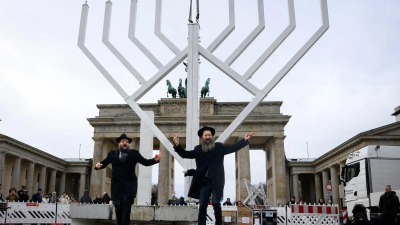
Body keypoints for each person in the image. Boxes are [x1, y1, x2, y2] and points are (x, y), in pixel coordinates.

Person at [172, 126, 254, 225]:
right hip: (203, 183)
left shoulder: (219, 147)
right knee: (202, 206)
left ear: (212, 136)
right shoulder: (198, 149)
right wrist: (177, 144)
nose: (208, 137)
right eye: (206, 135)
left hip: (216, 182)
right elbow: (185, 154)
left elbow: (232, 148)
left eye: (209, 135)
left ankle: (218, 223)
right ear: (202, 136)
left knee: (216, 203)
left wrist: (244, 140)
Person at [95, 133, 163, 225]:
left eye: (127, 142)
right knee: (118, 211)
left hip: (129, 187)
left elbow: (145, 162)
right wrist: (98, 166)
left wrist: (155, 160)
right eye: (123, 141)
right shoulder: (112, 154)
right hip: (117, 187)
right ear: (119, 143)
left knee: (126, 209)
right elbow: (104, 163)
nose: (125, 143)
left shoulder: (134, 153)